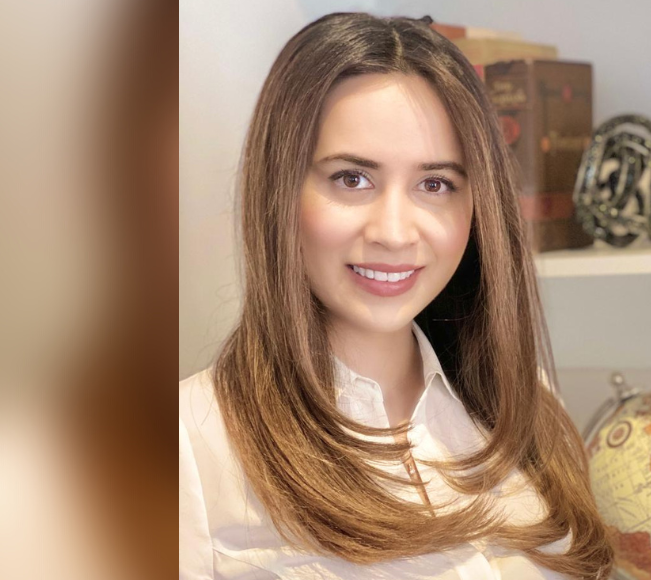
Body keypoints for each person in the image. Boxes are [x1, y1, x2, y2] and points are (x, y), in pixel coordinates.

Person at [179, 12, 614, 580]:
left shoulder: (526, 404)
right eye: (351, 179)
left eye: (435, 184)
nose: (394, 231)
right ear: (279, 189)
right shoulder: (187, 442)